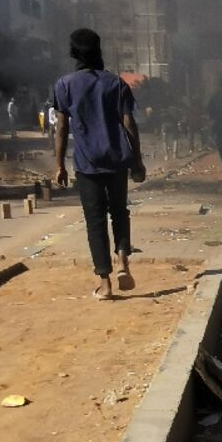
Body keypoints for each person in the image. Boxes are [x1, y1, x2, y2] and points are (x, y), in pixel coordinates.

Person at [52, 28, 144, 301]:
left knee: (95, 222)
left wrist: (59, 165)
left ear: (73, 53)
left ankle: (104, 283)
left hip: (87, 165)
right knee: (119, 212)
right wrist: (137, 160)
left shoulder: (64, 85)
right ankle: (124, 261)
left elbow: (61, 128)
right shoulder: (116, 84)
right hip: (117, 162)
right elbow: (129, 124)